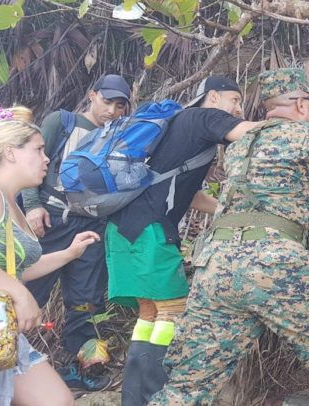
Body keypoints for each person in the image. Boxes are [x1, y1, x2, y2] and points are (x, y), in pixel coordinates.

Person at [149, 68, 309, 405]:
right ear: (302, 105)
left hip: (216, 268)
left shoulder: (242, 144)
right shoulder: (304, 137)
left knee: (188, 385)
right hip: (275, 264)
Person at [107, 76, 259, 406]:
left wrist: (226, 211)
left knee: (148, 312)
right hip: (150, 231)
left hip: (122, 228)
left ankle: (135, 399)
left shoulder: (179, 125)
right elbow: (253, 132)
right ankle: (157, 395)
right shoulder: (204, 117)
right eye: (234, 100)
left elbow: (188, 195)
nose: (238, 109)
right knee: (172, 310)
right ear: (214, 96)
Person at [21, 74, 131, 390]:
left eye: (119, 105)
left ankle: (80, 371)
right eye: (107, 101)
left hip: (92, 223)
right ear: (92, 94)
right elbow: (32, 164)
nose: (111, 110)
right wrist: (31, 205)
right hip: (50, 217)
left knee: (87, 300)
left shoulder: (119, 136)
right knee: (29, 288)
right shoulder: (62, 121)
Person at [0, 106, 100, 406]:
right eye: (38, 150)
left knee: (56, 400)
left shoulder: (9, 200)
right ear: (11, 153)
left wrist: (69, 253)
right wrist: (20, 294)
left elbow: (16, 269)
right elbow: (13, 281)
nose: (47, 158)